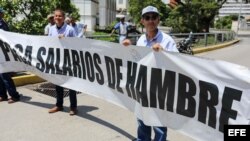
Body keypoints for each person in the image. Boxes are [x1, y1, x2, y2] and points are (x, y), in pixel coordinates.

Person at [122, 6, 179, 141]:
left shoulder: (167, 40)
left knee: (159, 123)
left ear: (158, 20)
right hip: (142, 87)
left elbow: (178, 63)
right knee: (142, 119)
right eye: (147, 17)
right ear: (142, 21)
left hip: (159, 89)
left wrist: (164, 52)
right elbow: (137, 60)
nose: (151, 20)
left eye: (154, 17)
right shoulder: (141, 40)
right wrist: (128, 49)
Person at [47, 8, 78, 116]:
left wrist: (66, 40)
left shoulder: (70, 29)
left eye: (60, 16)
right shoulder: (51, 29)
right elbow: (48, 43)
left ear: (64, 18)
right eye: (56, 16)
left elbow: (76, 45)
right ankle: (59, 105)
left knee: (71, 84)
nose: (57, 18)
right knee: (58, 83)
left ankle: (73, 107)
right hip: (56, 60)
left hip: (68, 60)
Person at [0, 7, 21, 104]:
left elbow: (5, 38)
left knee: (5, 75)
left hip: (3, 53)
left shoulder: (2, 24)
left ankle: (14, 95)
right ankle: (3, 95)